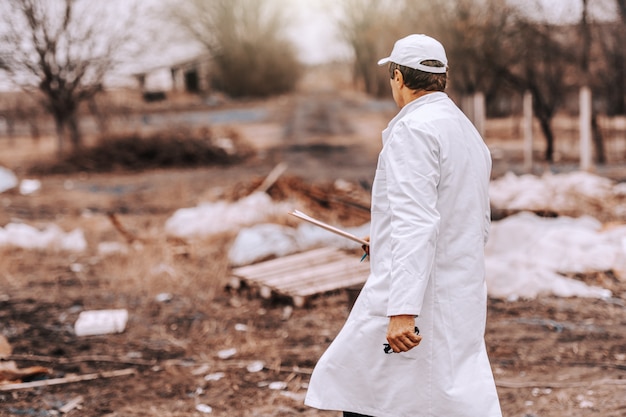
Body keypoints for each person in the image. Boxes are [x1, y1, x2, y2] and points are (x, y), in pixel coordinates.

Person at [304, 34, 502, 417]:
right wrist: (382, 238)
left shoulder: (414, 130)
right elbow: (472, 221)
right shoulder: (465, 131)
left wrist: (403, 309)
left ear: (397, 76)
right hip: (458, 292)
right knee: (424, 397)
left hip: (419, 297)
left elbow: (418, 221)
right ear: (442, 76)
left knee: (366, 392)